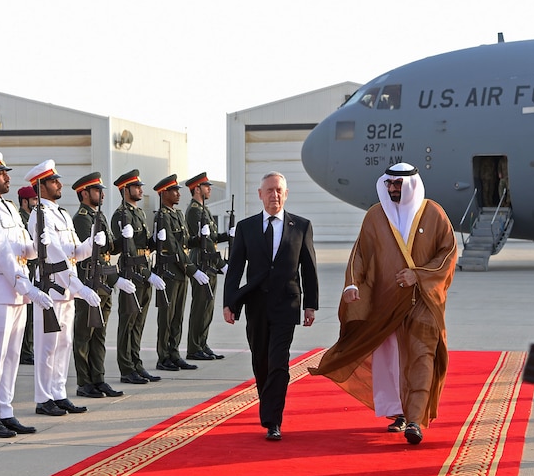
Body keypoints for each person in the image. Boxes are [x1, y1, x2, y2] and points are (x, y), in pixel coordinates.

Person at [311, 163, 457, 445]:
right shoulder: (375, 216)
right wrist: (352, 284)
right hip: (385, 304)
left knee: (422, 357)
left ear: (411, 185)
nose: (391, 189)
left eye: (397, 185)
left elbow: (448, 254)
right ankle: (399, 413)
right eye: (388, 184)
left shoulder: (434, 214)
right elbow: (360, 255)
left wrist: (419, 275)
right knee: (391, 362)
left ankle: (414, 420)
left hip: (423, 302)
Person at [223, 171, 318, 441]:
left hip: (286, 305)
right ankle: (269, 405)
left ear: (285, 194)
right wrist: (230, 303)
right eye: (269, 190)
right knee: (260, 361)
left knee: (279, 362)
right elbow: (235, 269)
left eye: (279, 190)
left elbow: (309, 269)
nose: (274, 195)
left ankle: (272, 419)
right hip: (256, 305)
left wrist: (310, 305)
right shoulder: (246, 227)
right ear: (260, 194)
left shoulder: (301, 226)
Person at [0, 151, 53, 438]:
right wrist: (26, 286)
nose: (7, 177)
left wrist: (35, 247)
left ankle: (5, 410)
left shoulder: (6, 208)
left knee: (12, 355)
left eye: (6, 172)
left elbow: (19, 247)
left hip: (15, 290)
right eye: (1, 173)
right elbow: (2, 252)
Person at [25, 160, 99, 416]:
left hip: (67, 289)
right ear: (41, 186)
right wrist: (78, 286)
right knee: (47, 346)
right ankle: (43, 397)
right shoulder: (39, 215)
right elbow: (54, 256)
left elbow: (74, 253)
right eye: (54, 181)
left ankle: (58, 392)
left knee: (64, 343)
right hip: (51, 288)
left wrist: (91, 243)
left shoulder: (63, 214)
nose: (60, 184)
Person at [71, 172, 131, 399]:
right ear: (84, 193)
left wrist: (123, 239)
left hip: (104, 282)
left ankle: (98, 378)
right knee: (84, 334)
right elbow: (90, 256)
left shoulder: (99, 216)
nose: (102, 194)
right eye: (97, 190)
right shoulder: (82, 219)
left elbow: (109, 250)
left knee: (100, 335)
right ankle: (84, 382)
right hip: (90, 282)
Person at [111, 169, 166, 385]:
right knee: (128, 323)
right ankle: (126, 368)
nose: (141, 190)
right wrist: (147, 274)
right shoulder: (120, 215)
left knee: (139, 323)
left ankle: (136, 363)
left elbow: (144, 247)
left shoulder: (139, 214)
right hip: (132, 274)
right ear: (125, 190)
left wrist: (156, 241)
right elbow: (129, 251)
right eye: (136, 187)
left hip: (144, 272)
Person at [152, 174, 197, 372]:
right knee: (166, 317)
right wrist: (190, 268)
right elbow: (171, 245)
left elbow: (185, 243)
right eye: (174, 191)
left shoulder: (177, 214)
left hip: (180, 273)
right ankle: (163, 357)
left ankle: (174, 353)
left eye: (178, 190)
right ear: (163, 193)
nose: (178, 194)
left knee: (177, 316)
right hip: (170, 272)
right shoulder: (162, 216)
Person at [184, 172, 229, 361]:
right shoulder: (194, 210)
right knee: (200, 306)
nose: (209, 188)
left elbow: (212, 237)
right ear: (196, 189)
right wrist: (221, 263)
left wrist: (227, 235)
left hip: (209, 263)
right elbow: (203, 242)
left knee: (208, 307)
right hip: (202, 261)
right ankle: (194, 347)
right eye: (206, 186)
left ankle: (202, 343)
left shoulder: (204, 209)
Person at [17, 185, 39, 366]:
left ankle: (27, 348)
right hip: (26, 268)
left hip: (35, 268)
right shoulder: (20, 218)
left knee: (31, 314)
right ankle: (24, 351)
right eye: (34, 200)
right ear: (25, 201)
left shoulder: (33, 217)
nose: (36, 203)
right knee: (26, 313)